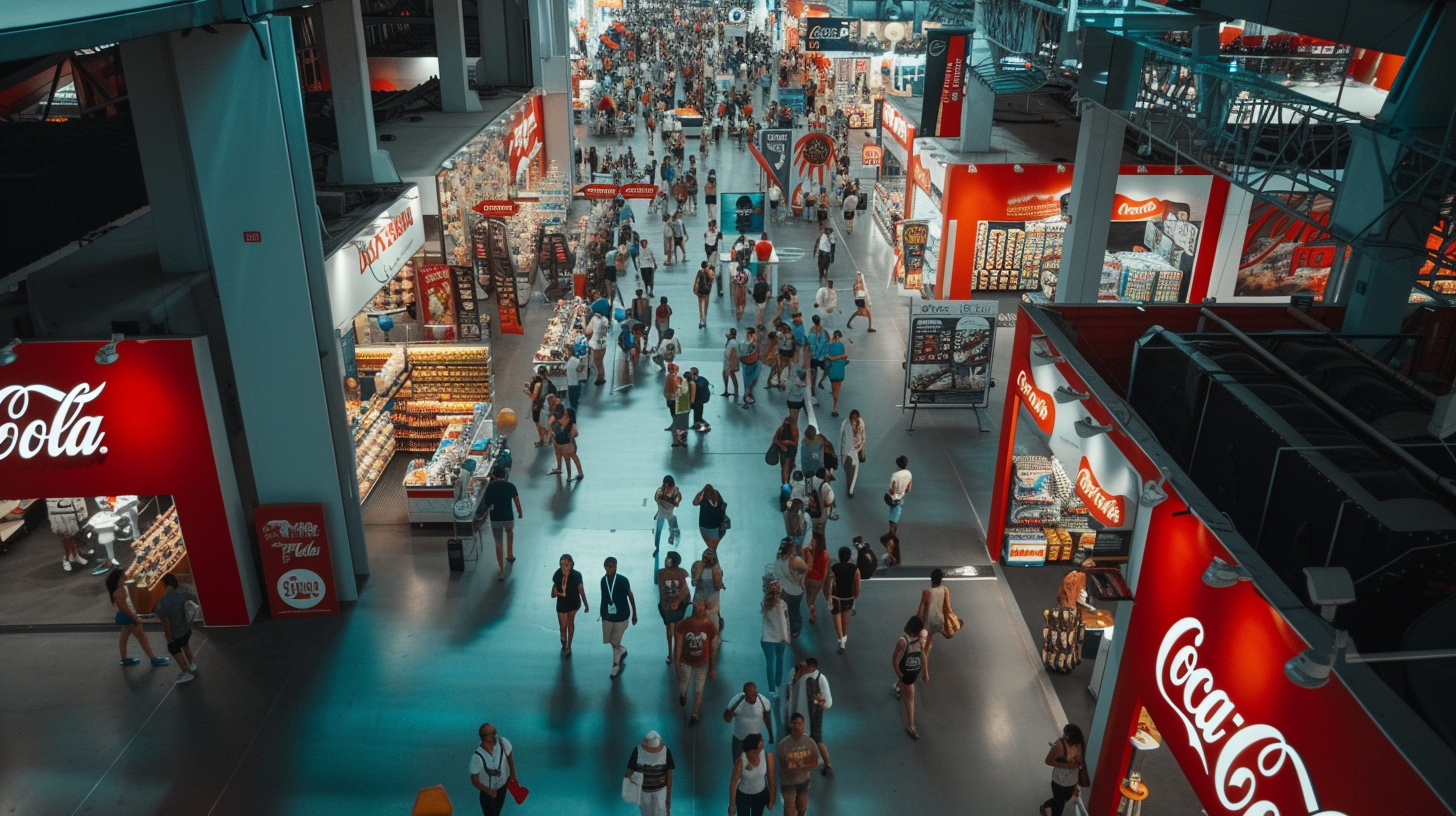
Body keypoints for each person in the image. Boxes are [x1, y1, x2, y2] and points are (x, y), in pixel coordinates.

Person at [108, 568, 167, 668]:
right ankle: (153, 658)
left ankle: (124, 659)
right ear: (119, 579)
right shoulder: (120, 590)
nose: (125, 577)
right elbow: (125, 608)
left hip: (127, 617)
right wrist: (135, 618)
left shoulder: (117, 589)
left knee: (124, 637)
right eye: (123, 576)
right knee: (142, 637)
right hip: (129, 617)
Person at [785, 657, 833, 775]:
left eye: (807, 667)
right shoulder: (799, 676)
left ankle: (828, 765)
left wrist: (820, 701)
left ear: (813, 667)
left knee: (817, 739)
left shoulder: (820, 679)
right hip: (800, 713)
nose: (804, 669)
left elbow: (828, 702)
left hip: (814, 715)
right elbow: (790, 692)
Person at [674, 602, 718, 725]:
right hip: (698, 662)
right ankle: (691, 708)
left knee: (691, 686)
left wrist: (677, 664)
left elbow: (678, 647)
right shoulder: (707, 625)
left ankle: (690, 706)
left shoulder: (684, 625)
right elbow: (713, 645)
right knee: (694, 687)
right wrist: (712, 666)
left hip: (692, 662)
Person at [151, 573, 198, 684]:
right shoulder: (185, 591)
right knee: (185, 644)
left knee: (174, 649)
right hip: (187, 629)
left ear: (167, 586)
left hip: (176, 633)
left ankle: (186, 672)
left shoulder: (164, 602)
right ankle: (192, 664)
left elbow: (165, 623)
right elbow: (194, 601)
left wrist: (169, 638)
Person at [469, 723, 518, 816]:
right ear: (486, 737)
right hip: (487, 791)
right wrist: (488, 791)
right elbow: (474, 779)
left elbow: (510, 760)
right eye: (492, 733)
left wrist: (513, 775)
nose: (495, 736)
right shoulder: (477, 757)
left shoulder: (503, 743)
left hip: (502, 786)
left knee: (497, 812)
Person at [600, 557, 638, 678]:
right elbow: (604, 597)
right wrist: (603, 614)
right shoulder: (603, 580)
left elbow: (630, 596)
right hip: (607, 616)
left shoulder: (623, 580)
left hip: (622, 616)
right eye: (606, 566)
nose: (608, 569)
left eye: (610, 566)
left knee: (615, 641)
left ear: (616, 567)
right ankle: (620, 650)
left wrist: (634, 614)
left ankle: (616, 664)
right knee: (611, 641)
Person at [892, 616, 928, 739]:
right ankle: (911, 725)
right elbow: (894, 659)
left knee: (907, 690)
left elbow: (923, 653)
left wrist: (926, 672)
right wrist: (900, 675)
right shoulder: (902, 641)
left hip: (913, 672)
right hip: (907, 674)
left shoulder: (919, 639)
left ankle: (897, 686)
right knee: (910, 698)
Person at [776, 713, 817, 816]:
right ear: (791, 726)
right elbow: (782, 764)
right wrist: (793, 763)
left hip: (803, 780)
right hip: (788, 782)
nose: (798, 726)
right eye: (795, 724)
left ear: (804, 725)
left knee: (802, 807)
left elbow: (815, 761)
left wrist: (805, 764)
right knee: (789, 809)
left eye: (800, 723)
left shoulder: (810, 742)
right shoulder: (783, 744)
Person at [1041, 724, 1087, 816]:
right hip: (1059, 781)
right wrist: (1069, 766)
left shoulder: (1079, 745)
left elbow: (1079, 763)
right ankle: (1047, 808)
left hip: (1071, 781)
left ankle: (1045, 806)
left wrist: (1077, 782)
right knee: (1059, 804)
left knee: (1062, 800)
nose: (1065, 737)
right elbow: (1048, 761)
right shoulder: (1059, 746)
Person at [626, 731, 675, 816]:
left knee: (661, 813)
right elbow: (629, 771)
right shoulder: (638, 751)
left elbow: (669, 776)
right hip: (643, 791)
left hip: (660, 791)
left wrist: (668, 800)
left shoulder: (666, 752)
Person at [728, 733, 776, 816]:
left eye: (753, 753)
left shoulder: (767, 755)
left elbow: (771, 777)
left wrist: (772, 798)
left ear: (757, 749)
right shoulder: (741, 761)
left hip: (760, 795)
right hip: (744, 797)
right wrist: (732, 805)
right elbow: (734, 783)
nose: (749, 756)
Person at [917, 568, 951, 681]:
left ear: (931, 579)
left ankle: (925, 672)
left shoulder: (926, 593)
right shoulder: (945, 590)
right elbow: (949, 609)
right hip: (938, 624)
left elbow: (920, 612)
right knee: (928, 645)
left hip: (928, 624)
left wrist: (916, 623)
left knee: (922, 647)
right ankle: (927, 653)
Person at [551, 554, 588, 657]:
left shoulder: (576, 575)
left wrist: (585, 604)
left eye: (566, 564)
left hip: (573, 602)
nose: (564, 566)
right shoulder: (558, 574)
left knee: (570, 622)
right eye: (562, 564)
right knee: (563, 626)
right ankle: (563, 639)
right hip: (562, 603)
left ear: (571, 564)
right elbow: (553, 594)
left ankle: (568, 646)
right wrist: (558, 593)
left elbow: (581, 590)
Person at [657, 550, 690, 663]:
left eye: (669, 558)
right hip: (667, 605)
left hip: (679, 605)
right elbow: (661, 590)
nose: (666, 560)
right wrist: (665, 604)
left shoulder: (682, 573)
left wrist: (678, 602)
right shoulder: (661, 573)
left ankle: (678, 652)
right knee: (669, 630)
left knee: (679, 629)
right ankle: (671, 653)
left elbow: (686, 590)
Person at [772, 538, 807, 638]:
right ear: (792, 549)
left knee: (785, 610)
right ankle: (795, 629)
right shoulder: (795, 561)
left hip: (782, 590)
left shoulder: (778, 559)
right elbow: (806, 569)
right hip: (795, 592)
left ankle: (784, 627)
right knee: (794, 612)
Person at [760, 580, 791, 694]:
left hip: (766, 638)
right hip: (780, 638)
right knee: (779, 660)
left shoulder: (764, 604)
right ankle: (778, 685)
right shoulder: (782, 605)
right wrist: (786, 637)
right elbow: (784, 622)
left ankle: (771, 689)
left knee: (770, 664)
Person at [828, 546, 860, 653]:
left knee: (836, 617)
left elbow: (830, 584)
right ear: (849, 556)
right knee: (845, 617)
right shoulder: (855, 569)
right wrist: (855, 596)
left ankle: (841, 640)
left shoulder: (834, 567)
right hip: (848, 597)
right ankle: (845, 637)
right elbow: (857, 587)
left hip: (836, 597)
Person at [549, 404, 583, 481]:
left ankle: (573, 475)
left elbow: (575, 434)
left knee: (569, 458)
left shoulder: (566, 422)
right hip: (561, 442)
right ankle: (564, 470)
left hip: (565, 444)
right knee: (564, 456)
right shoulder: (561, 420)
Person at [802, 534, 829, 627]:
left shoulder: (809, 552)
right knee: (813, 597)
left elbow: (807, 565)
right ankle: (813, 607)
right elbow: (825, 570)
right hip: (819, 580)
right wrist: (822, 582)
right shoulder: (825, 554)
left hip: (810, 578)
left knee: (808, 597)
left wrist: (808, 550)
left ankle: (811, 612)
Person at [887, 455, 913, 546]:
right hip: (901, 498)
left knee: (892, 521)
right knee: (896, 518)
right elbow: (909, 488)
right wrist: (902, 493)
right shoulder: (909, 474)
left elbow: (891, 490)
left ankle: (892, 539)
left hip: (894, 499)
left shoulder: (895, 475)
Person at [838, 410, 865, 498]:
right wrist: (840, 453)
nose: (854, 420)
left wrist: (863, 452)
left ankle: (850, 490)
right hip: (846, 452)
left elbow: (863, 437)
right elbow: (840, 438)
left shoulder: (861, 423)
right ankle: (850, 489)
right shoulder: (845, 424)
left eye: (856, 418)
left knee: (854, 472)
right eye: (853, 418)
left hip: (855, 451)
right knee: (848, 471)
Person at [525, 367, 554, 447]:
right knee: (546, 423)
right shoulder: (548, 382)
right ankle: (548, 437)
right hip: (546, 407)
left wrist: (528, 393)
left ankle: (543, 439)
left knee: (539, 425)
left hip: (538, 407)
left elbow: (534, 397)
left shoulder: (538, 384)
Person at [822, 330, 849, 416]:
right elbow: (845, 356)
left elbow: (826, 355)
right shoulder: (841, 345)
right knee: (838, 389)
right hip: (840, 369)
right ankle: (834, 408)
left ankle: (834, 403)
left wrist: (832, 358)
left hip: (832, 370)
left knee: (834, 388)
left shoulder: (828, 345)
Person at [653, 475, 682, 554]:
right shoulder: (660, 490)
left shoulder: (676, 492)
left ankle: (675, 548)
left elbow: (676, 503)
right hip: (661, 513)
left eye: (668, 485)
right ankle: (657, 548)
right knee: (658, 532)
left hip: (670, 515)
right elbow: (656, 498)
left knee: (674, 532)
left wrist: (664, 499)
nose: (666, 487)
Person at [693, 484, 727, 549]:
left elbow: (695, 503)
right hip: (714, 526)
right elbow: (694, 503)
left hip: (707, 526)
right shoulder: (715, 495)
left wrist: (701, 492)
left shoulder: (704, 497)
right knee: (713, 548)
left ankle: (711, 557)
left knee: (711, 548)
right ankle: (712, 557)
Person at [772, 416, 798, 485]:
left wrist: (782, 445)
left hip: (783, 451)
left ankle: (785, 483)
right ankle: (787, 482)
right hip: (791, 451)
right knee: (789, 467)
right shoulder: (795, 430)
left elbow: (775, 440)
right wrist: (788, 442)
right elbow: (796, 442)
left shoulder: (781, 428)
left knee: (784, 467)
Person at [587, 310, 611, 383]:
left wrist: (583, 321)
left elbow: (587, 331)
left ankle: (600, 379)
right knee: (600, 362)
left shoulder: (594, 320)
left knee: (597, 362)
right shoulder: (605, 319)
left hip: (597, 344)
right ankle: (601, 378)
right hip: (602, 342)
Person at [565, 344, 587, 412]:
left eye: (566, 351)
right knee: (574, 399)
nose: (565, 353)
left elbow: (581, 368)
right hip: (574, 381)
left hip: (573, 382)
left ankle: (574, 412)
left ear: (570, 352)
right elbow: (580, 369)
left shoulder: (573, 360)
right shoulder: (575, 360)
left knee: (573, 400)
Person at [690, 366, 712, 432]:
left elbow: (693, 392)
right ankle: (699, 423)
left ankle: (701, 426)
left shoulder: (694, 382)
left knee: (697, 413)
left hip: (698, 399)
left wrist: (691, 401)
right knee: (699, 412)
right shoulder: (702, 379)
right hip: (703, 399)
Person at [693, 261, 714, 329]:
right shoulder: (709, 272)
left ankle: (701, 319)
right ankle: (704, 319)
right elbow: (712, 279)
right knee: (705, 305)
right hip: (707, 292)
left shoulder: (700, 272)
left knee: (700, 305)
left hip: (700, 291)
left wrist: (696, 290)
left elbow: (697, 281)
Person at [722, 329, 741, 402]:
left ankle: (734, 391)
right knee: (727, 375)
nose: (727, 335)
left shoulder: (733, 343)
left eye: (729, 334)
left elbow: (735, 354)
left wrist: (731, 364)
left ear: (732, 335)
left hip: (730, 362)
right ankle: (728, 390)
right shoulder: (731, 342)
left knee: (731, 375)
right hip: (727, 362)